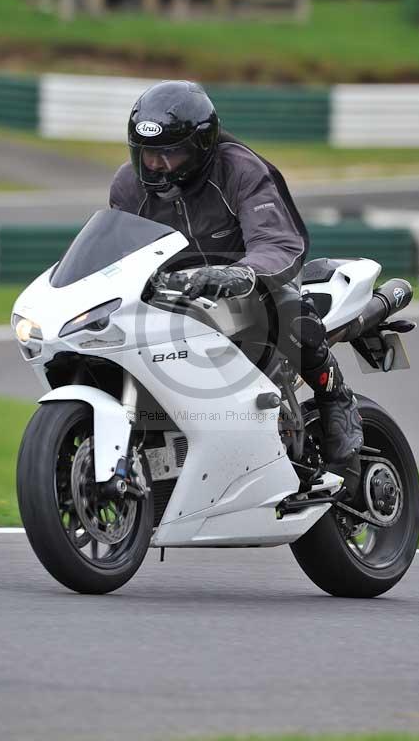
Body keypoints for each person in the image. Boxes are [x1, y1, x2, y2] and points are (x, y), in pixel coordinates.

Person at [109, 80, 363, 491]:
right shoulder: (127, 186)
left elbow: (278, 242)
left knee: (287, 311)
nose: (156, 165)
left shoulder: (240, 171)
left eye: (170, 153)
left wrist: (239, 274)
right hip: (175, 298)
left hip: (250, 285)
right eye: (147, 153)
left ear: (202, 145)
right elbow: (113, 254)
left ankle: (336, 400)